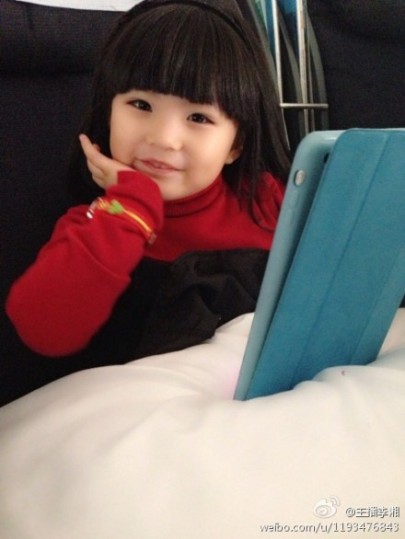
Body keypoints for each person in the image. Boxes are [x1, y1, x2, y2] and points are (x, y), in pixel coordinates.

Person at [6, 0, 290, 367]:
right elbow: (44, 331)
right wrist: (132, 204)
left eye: (198, 117)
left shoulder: (270, 200)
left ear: (236, 145)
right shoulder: (96, 223)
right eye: (141, 105)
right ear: (107, 114)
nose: (163, 138)